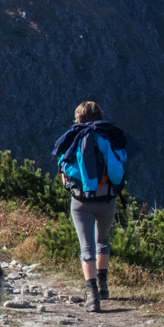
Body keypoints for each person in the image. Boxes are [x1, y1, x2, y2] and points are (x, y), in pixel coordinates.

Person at [51, 101, 127, 313]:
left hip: (82, 201)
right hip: (107, 199)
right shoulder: (109, 137)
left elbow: (65, 174)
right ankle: (103, 287)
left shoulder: (74, 138)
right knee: (103, 239)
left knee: (87, 247)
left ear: (78, 119)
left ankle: (92, 295)